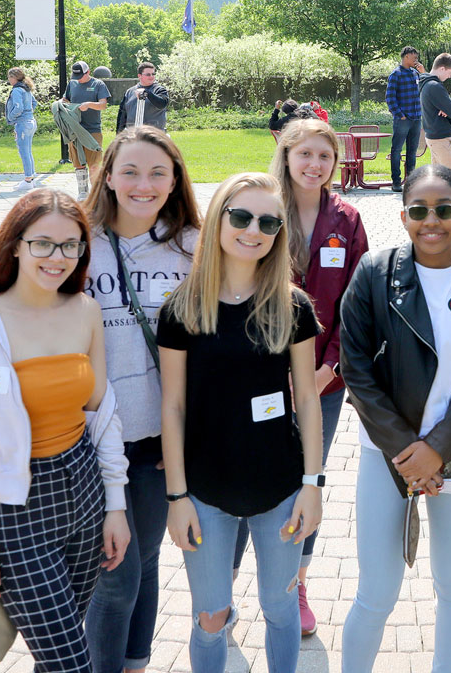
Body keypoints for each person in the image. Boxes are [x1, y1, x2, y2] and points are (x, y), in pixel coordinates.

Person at [0, 190, 131, 672]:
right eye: (43, 243)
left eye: (71, 246)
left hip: (84, 492)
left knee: (56, 658)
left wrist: (116, 506)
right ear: (16, 244)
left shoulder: (85, 310)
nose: (57, 258)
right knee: (72, 664)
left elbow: (102, 413)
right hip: (14, 509)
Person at [159, 172, 325, 673]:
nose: (254, 230)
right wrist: (176, 497)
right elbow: (173, 407)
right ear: (218, 220)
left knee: (280, 610)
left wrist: (313, 484)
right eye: (242, 216)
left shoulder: (291, 306)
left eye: (269, 222)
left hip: (280, 489)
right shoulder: (183, 309)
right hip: (205, 493)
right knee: (212, 615)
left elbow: (308, 401)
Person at [339, 164, 451, 673]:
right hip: (387, 456)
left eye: (445, 209)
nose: (432, 221)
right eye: (419, 210)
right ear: (403, 215)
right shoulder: (373, 272)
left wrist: (439, 449)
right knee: (377, 590)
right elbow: (357, 370)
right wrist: (407, 453)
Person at [81, 126, 202, 673]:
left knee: (147, 559)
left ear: (175, 179)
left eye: (157, 172)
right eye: (129, 170)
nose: (142, 184)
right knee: (116, 572)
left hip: (161, 436)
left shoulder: (194, 247)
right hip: (90, 439)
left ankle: (136, 663)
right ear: (107, 175)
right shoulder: (75, 240)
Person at [264, 119, 369, 635]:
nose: (314, 165)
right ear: (286, 156)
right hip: (261, 376)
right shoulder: (260, 210)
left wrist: (330, 367)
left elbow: (359, 301)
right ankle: (235, 578)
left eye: (324, 157)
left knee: (308, 479)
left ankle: (296, 583)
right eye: (304, 154)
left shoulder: (346, 220)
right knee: (256, 473)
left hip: (325, 380)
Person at [65, 61, 111, 198]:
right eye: (76, 76)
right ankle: (83, 192)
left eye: (81, 76)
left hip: (93, 130)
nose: (78, 79)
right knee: (78, 164)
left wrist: (89, 105)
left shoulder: (98, 85)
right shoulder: (72, 84)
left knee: (94, 165)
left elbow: (103, 105)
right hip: (74, 130)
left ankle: (96, 195)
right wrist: (62, 105)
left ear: (88, 72)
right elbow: (65, 99)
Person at [386, 47, 424, 190]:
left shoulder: (415, 73)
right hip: (403, 119)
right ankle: (396, 182)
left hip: (416, 118)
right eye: (414, 57)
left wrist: (423, 72)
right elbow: (390, 98)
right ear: (406, 56)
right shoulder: (396, 74)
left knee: (412, 151)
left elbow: (426, 86)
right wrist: (399, 114)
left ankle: (411, 181)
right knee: (396, 150)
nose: (416, 59)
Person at [419, 53, 451, 173]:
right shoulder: (434, 86)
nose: (449, 76)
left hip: (433, 136)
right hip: (441, 138)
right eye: (450, 73)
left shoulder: (426, 83)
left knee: (438, 178)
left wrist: (446, 107)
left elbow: (449, 108)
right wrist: (448, 107)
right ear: (442, 68)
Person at [5, 67, 40, 184]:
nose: (9, 80)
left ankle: (28, 179)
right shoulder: (26, 89)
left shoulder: (16, 90)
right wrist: (29, 112)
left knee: (23, 152)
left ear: (14, 77)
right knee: (28, 150)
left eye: (9, 77)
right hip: (31, 122)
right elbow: (34, 103)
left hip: (22, 124)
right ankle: (32, 174)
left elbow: (18, 108)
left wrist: (11, 117)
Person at [115, 62, 170, 132]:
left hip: (154, 134)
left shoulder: (159, 90)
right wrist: (119, 134)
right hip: (133, 134)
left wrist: (147, 93)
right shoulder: (129, 92)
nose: (151, 76)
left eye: (153, 74)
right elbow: (122, 115)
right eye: (148, 74)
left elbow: (162, 104)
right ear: (139, 76)